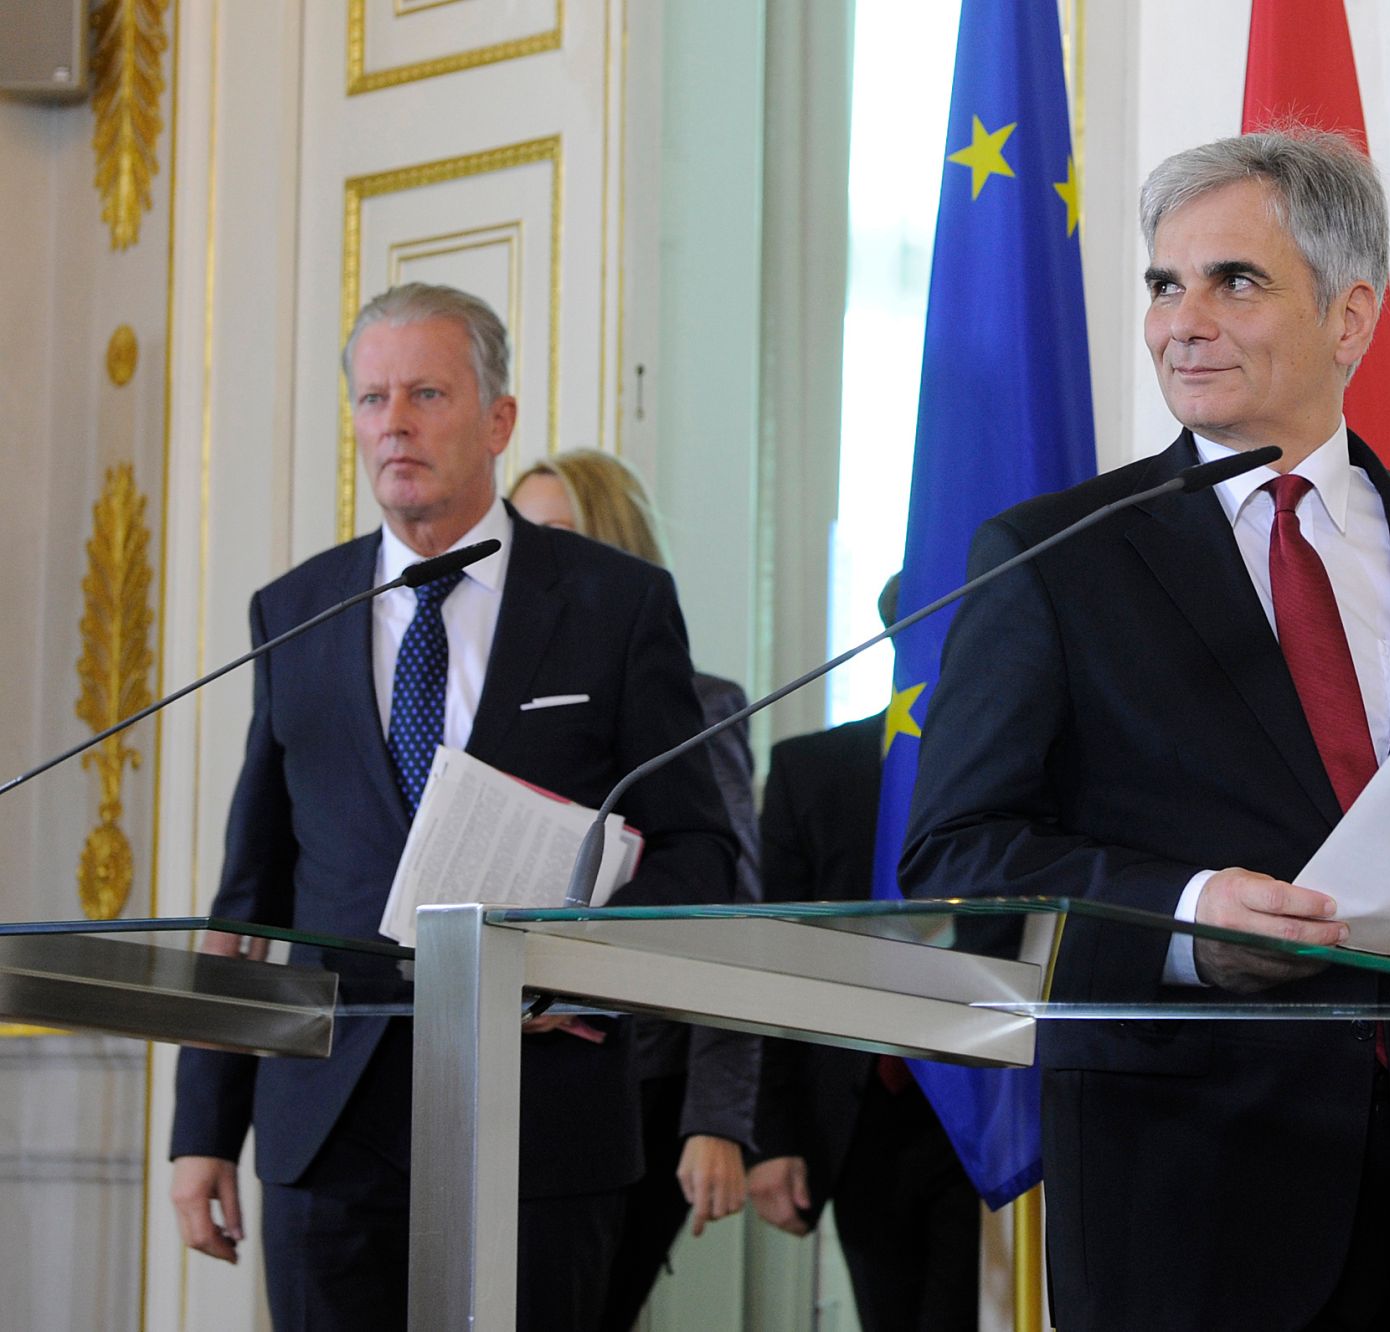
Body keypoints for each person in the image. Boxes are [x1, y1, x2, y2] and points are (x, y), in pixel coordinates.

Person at [899, 129, 1390, 1331]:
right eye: (1163, 284)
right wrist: (1185, 920)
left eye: (1233, 281)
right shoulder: (1055, 558)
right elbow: (958, 858)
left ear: (1349, 317)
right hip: (1182, 1202)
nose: (1182, 322)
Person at [167, 284, 736, 1331]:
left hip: (538, 1122)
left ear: (497, 418)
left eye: (426, 394)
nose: (394, 423)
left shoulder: (614, 604)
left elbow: (699, 854)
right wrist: (203, 1127)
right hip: (328, 1129)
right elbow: (250, 892)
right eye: (372, 398)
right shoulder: (296, 611)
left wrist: (569, 962)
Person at [508, 450, 758, 1330]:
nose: (532, 558)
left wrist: (717, 1117)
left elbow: (731, 914)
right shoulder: (476, 694)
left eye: (557, 536)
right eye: (520, 535)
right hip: (487, 1064)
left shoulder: (697, 703)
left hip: (633, 1079)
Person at [747, 575, 979, 1332]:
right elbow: (773, 962)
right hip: (860, 1107)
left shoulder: (1020, 776)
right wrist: (771, 1137)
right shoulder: (812, 772)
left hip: (989, 1095)